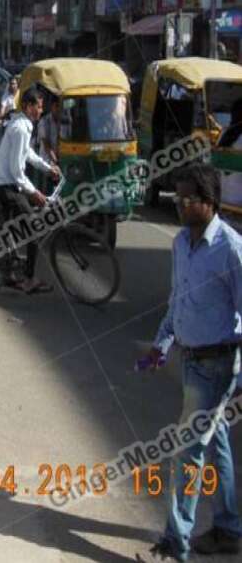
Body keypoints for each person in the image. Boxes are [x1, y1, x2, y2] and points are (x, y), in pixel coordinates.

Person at [137, 164, 242, 562]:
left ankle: (174, 545)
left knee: (187, 453)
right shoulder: (181, 243)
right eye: (177, 198)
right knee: (215, 445)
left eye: (187, 200)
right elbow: (177, 301)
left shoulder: (231, 249)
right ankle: (229, 530)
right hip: (190, 360)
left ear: (210, 203)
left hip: (217, 365)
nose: (179, 205)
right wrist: (161, 345)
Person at [0, 89, 60, 294]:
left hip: (7, 183)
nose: (41, 110)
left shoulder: (22, 124)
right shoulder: (21, 128)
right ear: (28, 107)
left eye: (41, 106)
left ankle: (9, 268)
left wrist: (48, 168)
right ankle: (29, 278)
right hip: (7, 185)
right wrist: (35, 192)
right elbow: (16, 170)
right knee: (35, 227)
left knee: (17, 227)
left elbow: (27, 154)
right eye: (38, 106)